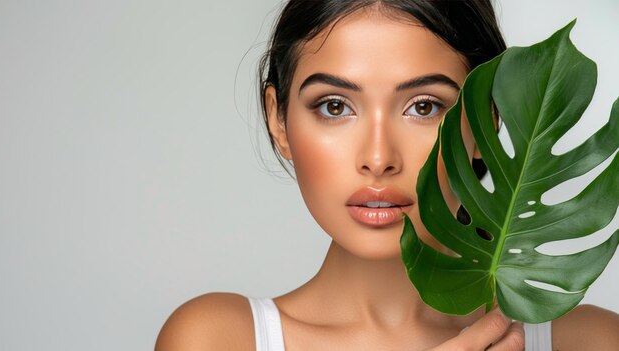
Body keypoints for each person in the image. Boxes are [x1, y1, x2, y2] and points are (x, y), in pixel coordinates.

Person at [155, 1, 619, 350]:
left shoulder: (591, 341)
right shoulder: (218, 338)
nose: (378, 158)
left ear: (487, 122)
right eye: (335, 107)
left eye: (423, 107)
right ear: (279, 122)